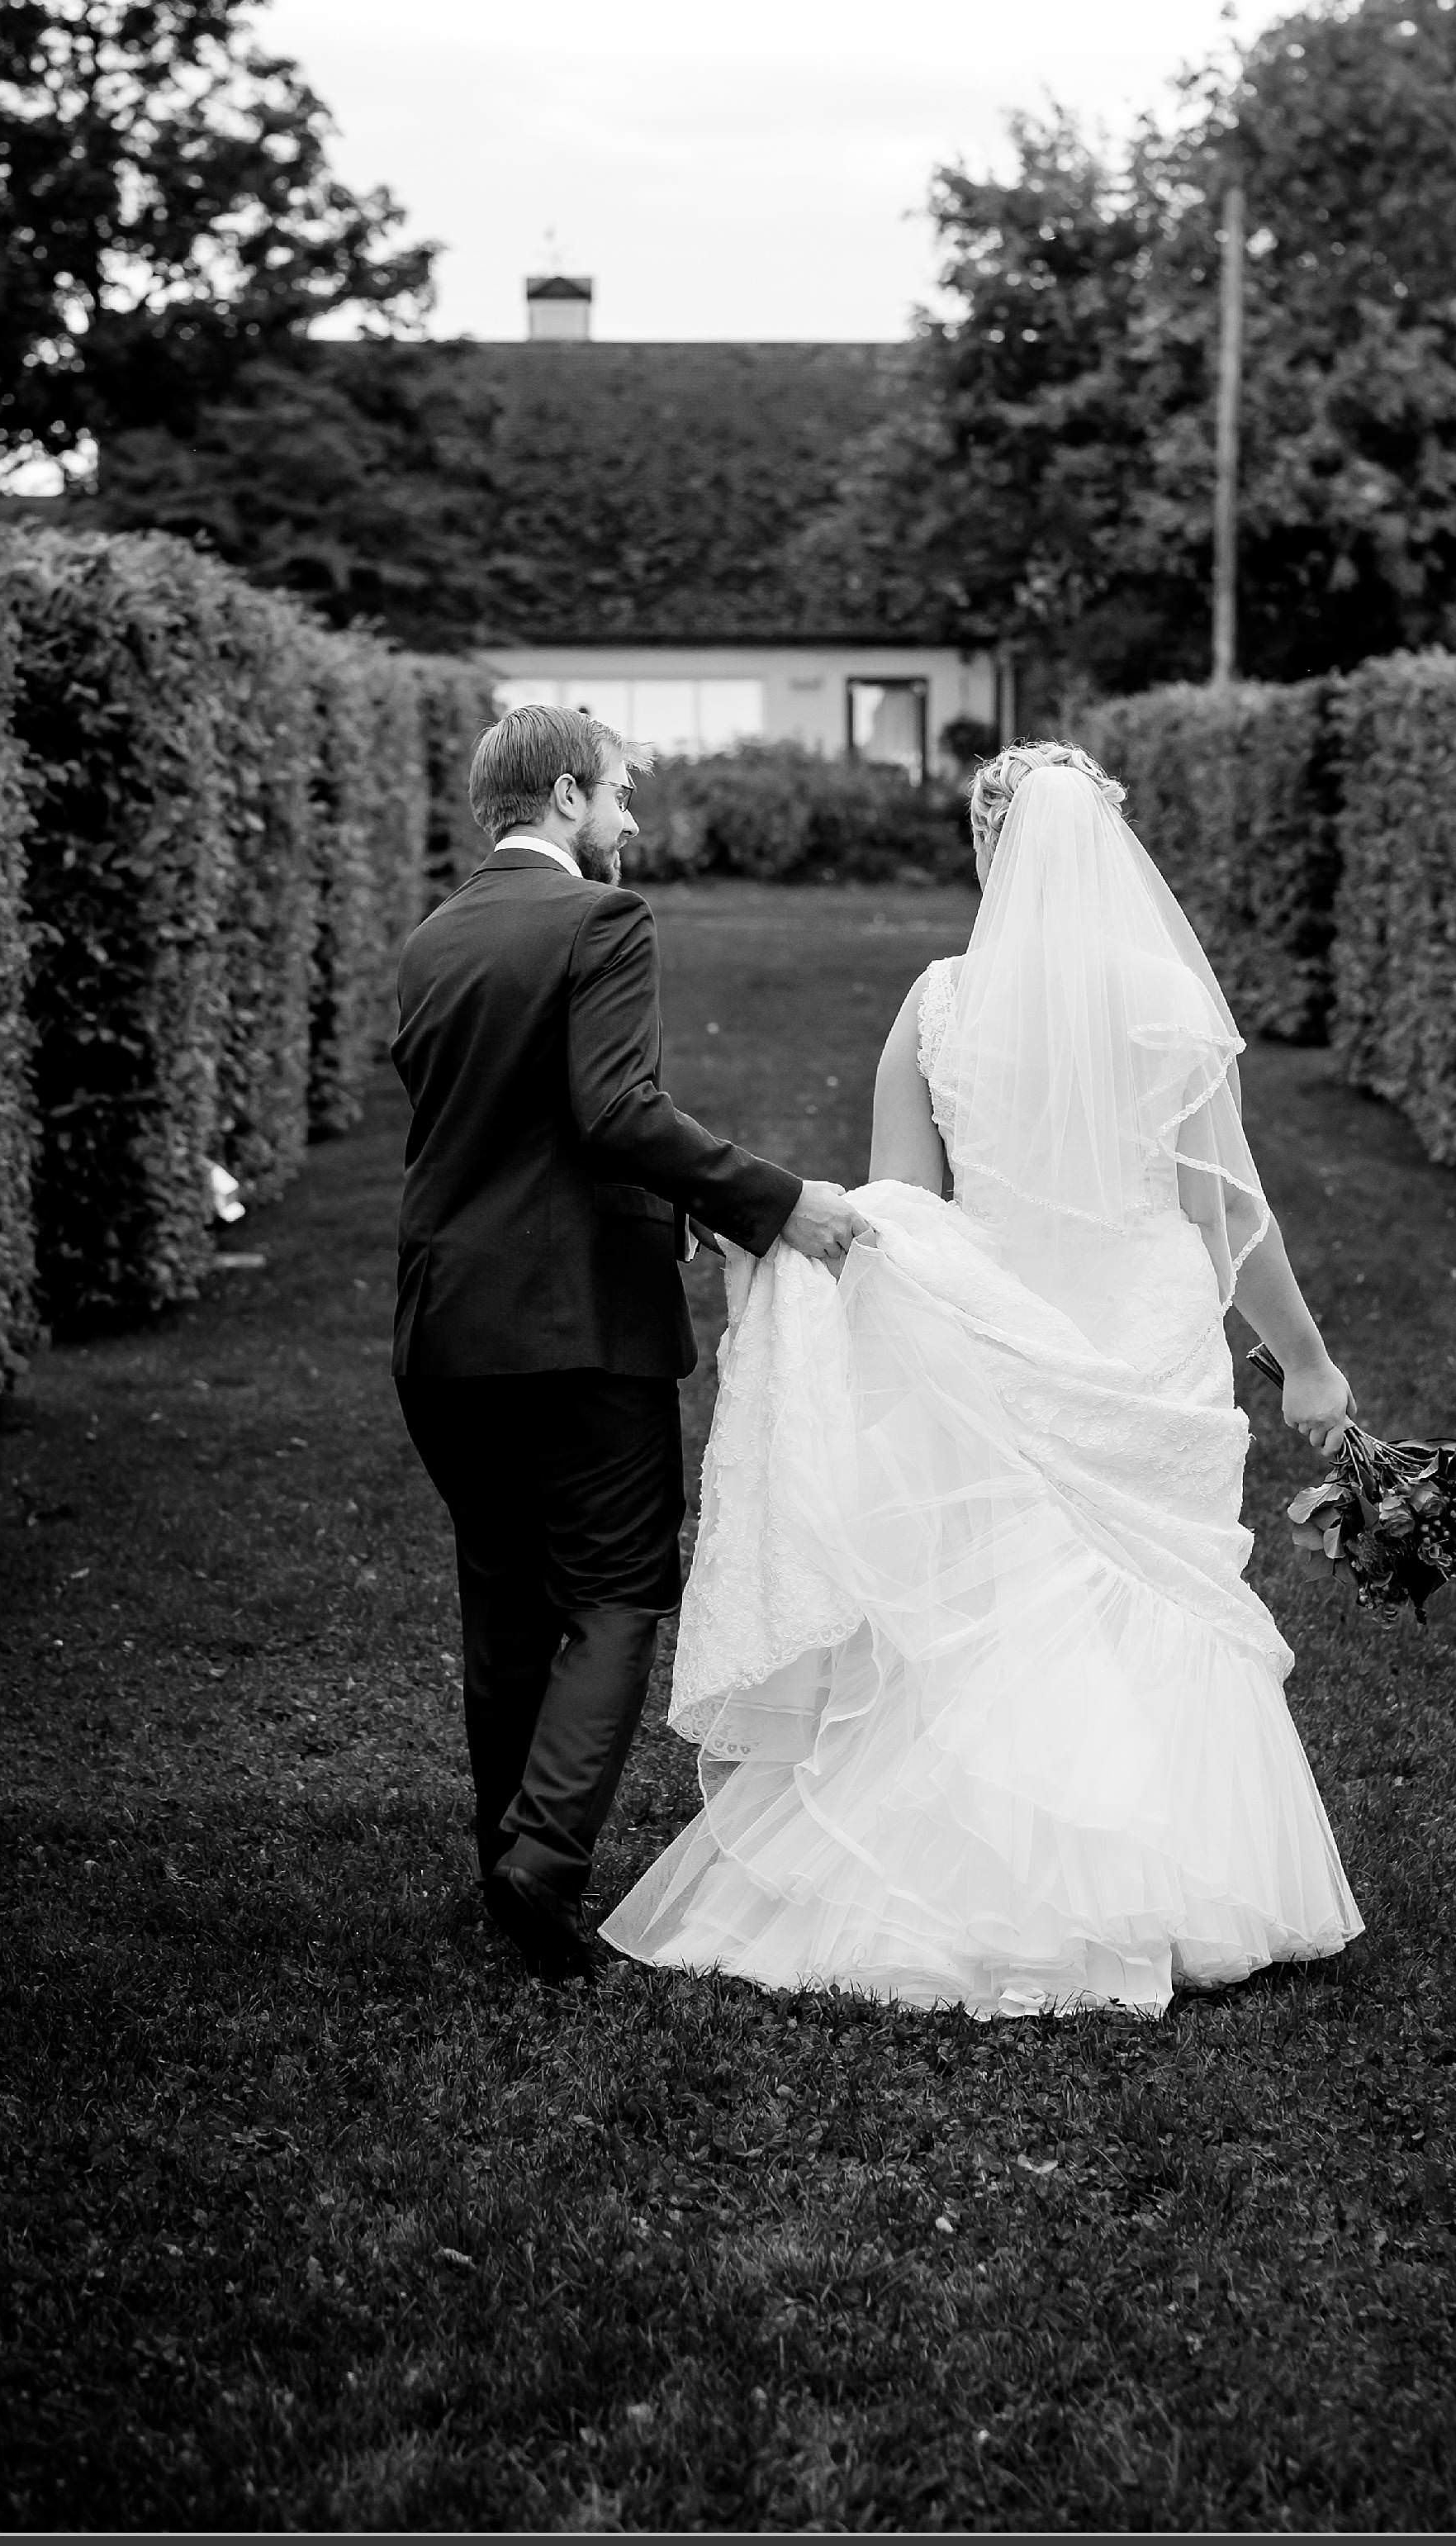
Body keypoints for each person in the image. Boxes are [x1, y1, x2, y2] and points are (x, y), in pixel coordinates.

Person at [599, 740, 1365, 2016]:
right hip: (1147, 1324)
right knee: (1148, 1594)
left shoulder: (940, 1001)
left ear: (986, 850)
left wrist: (796, 1243)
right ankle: (1176, 1877)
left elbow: (902, 1203)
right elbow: (1232, 1208)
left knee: (1008, 1585)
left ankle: (977, 1864)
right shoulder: (1163, 1000)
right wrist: (1310, 1361)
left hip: (1002, 1320)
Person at [389, 704, 872, 1983]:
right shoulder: (605, 921)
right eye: (616, 794)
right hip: (578, 1327)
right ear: (561, 798)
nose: (630, 821)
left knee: (500, 1590)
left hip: (443, 1324)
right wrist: (775, 1201)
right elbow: (614, 1108)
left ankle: (502, 1846)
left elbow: (510, 1125)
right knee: (615, 1588)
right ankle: (544, 1861)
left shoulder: (434, 937)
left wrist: (665, 1209)